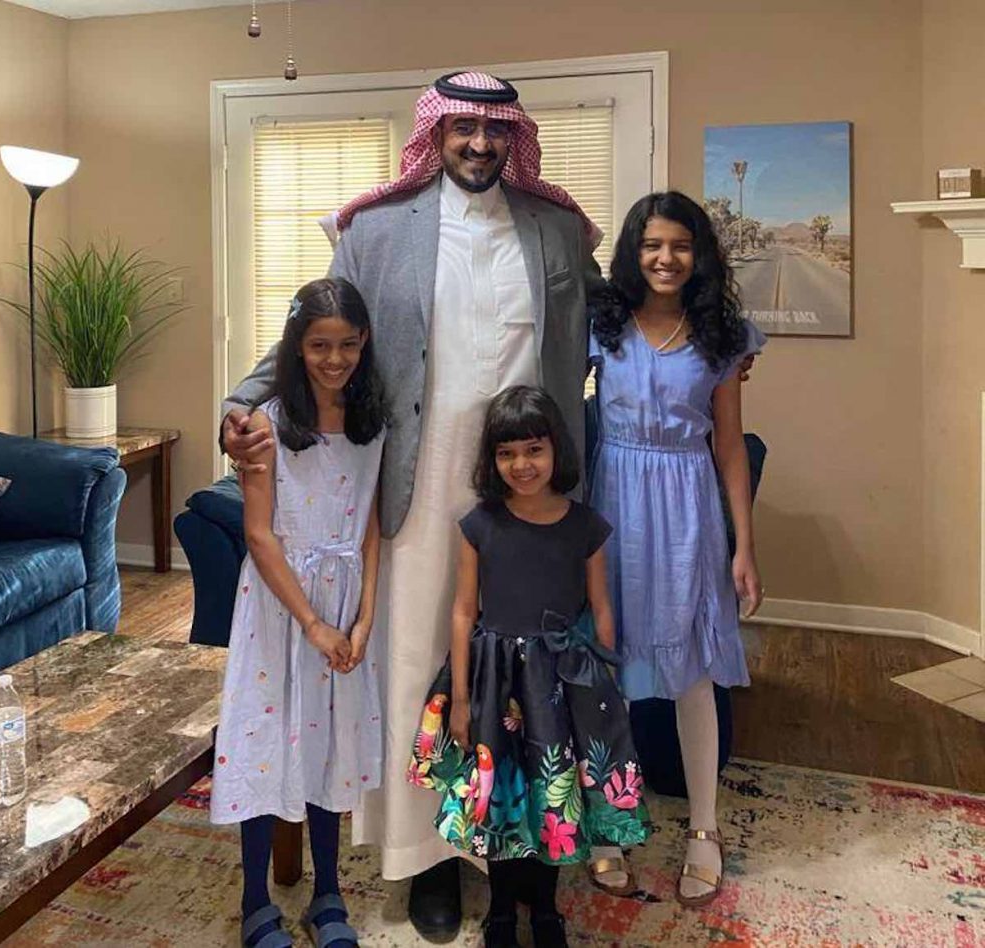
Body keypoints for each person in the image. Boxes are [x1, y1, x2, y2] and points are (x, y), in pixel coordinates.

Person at [221, 70, 605, 938]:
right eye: (462, 128)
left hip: (523, 489)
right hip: (415, 490)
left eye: (494, 130)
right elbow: (312, 333)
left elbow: (614, 323)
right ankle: (427, 857)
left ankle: (509, 856)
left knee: (517, 672)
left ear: (515, 138)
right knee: (414, 666)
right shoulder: (377, 231)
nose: (478, 144)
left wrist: (707, 342)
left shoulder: (555, 229)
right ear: (434, 134)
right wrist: (238, 407)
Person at [408, 386, 649, 947]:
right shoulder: (480, 525)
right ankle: (498, 911)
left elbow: (601, 609)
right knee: (502, 799)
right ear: (493, 460)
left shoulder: (585, 526)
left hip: (561, 684)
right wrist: (463, 699)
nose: (522, 465)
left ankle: (545, 908)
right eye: (507, 453)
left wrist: (609, 685)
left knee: (553, 796)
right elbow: (465, 609)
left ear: (555, 451)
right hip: (495, 683)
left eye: (534, 450)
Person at [587, 191, 765, 908]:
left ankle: (704, 829)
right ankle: (607, 828)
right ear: (634, 250)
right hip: (613, 502)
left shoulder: (722, 336)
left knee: (693, 672)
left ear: (700, 256)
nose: (666, 258)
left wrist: (743, 545)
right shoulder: (601, 326)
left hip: (688, 505)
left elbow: (728, 446)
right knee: (608, 672)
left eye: (681, 246)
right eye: (652, 244)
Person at [210, 278, 387, 948]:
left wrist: (363, 619)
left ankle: (329, 894)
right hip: (281, 610)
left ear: (364, 342)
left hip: (344, 607)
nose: (334, 358)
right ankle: (256, 899)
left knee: (327, 744)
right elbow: (259, 534)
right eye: (319, 345)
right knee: (267, 741)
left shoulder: (375, 425)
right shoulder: (266, 425)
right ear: (298, 346)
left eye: (346, 344)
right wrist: (311, 622)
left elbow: (372, 526)